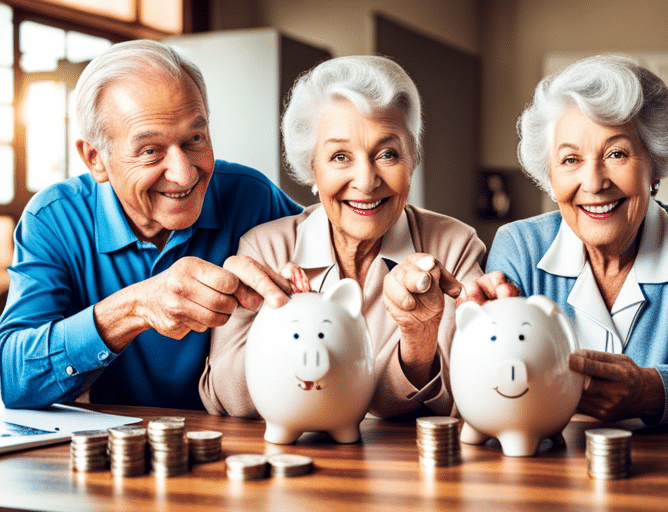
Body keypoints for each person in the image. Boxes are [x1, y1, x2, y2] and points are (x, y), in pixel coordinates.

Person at [0, 40, 302, 410]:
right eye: (150, 151)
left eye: (195, 139)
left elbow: (338, 247)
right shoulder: (53, 218)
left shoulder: (251, 195)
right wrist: (135, 307)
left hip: (245, 437)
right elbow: (13, 378)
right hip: (120, 446)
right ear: (95, 158)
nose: (185, 173)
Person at [200, 55, 507, 419]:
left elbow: (471, 394)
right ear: (311, 166)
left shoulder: (453, 245)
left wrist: (417, 343)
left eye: (388, 154)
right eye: (340, 156)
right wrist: (287, 328)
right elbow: (226, 395)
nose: (366, 181)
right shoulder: (265, 247)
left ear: (412, 160)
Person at [485, 54, 668, 425]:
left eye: (617, 153)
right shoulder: (519, 248)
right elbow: (490, 385)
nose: (594, 182)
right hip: (550, 473)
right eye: (570, 160)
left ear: (655, 165)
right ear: (549, 175)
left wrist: (657, 390)